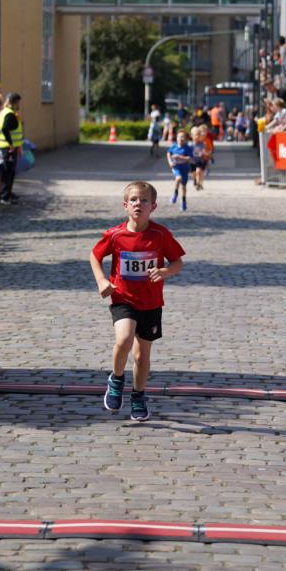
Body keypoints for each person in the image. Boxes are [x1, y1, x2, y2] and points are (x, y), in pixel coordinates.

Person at [89, 181, 185, 422]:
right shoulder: (115, 235)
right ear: (125, 205)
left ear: (153, 206)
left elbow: (177, 262)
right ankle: (116, 379)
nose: (138, 204)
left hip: (151, 302)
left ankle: (139, 395)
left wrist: (165, 271)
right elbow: (95, 255)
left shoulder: (160, 234)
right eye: (133, 200)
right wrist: (102, 281)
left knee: (142, 356)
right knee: (124, 338)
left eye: (144, 200)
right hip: (123, 297)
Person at [0, 92, 23, 203]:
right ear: (15, 102)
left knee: (9, 171)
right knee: (8, 171)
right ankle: (5, 196)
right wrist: (11, 144)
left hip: (7, 147)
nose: (19, 105)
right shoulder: (10, 114)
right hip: (8, 148)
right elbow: (5, 129)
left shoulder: (5, 112)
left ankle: (8, 193)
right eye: (18, 102)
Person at [167, 129, 193, 211]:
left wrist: (179, 157)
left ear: (186, 139)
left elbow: (189, 158)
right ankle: (175, 194)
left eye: (183, 137)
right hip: (176, 167)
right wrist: (170, 162)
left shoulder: (187, 148)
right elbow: (168, 154)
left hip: (185, 168)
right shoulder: (173, 146)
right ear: (177, 137)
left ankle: (183, 202)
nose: (181, 138)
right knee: (178, 178)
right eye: (179, 136)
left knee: (183, 187)